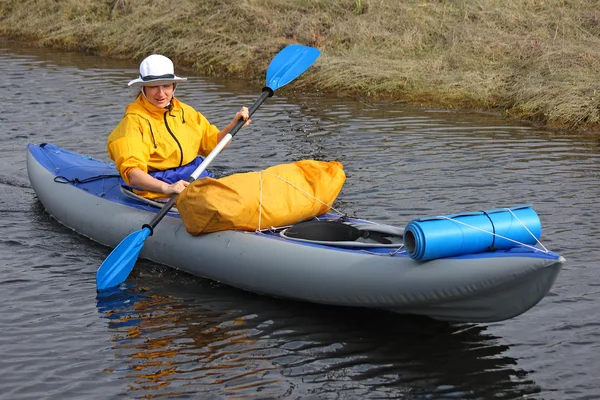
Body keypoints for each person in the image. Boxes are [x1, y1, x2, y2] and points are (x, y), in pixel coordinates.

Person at [107, 54, 250, 200]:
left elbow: (214, 144)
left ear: (174, 86)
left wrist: (234, 125)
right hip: (156, 187)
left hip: (193, 176)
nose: (161, 93)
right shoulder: (133, 122)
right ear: (143, 88)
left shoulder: (185, 112)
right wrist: (167, 188)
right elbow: (132, 174)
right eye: (154, 87)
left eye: (166, 86)